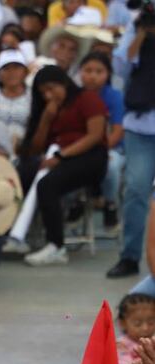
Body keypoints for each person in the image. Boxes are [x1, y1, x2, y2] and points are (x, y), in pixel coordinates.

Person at [15, 66, 108, 266]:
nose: (48, 95)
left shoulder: (87, 99)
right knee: (22, 172)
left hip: (90, 157)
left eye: (51, 89)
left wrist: (62, 155)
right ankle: (15, 233)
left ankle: (56, 245)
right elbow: (35, 147)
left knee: (47, 185)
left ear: (63, 83)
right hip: (57, 156)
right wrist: (46, 120)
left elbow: (95, 136)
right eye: (43, 93)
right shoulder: (51, 109)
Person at [107, 17, 155, 279]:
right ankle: (130, 256)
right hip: (142, 127)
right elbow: (121, 66)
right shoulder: (138, 26)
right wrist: (141, 34)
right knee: (136, 189)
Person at [79, 52, 124, 229]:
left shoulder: (115, 96)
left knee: (111, 166)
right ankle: (77, 201)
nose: (93, 76)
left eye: (99, 71)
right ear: (80, 72)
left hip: (111, 149)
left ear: (108, 74)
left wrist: (101, 150)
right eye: (88, 70)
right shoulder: (75, 96)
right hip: (81, 148)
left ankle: (110, 203)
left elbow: (118, 131)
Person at [0, 49, 31, 156]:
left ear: (25, 71)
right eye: (6, 68)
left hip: (24, 153)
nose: (12, 72)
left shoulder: (34, 97)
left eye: (17, 67)